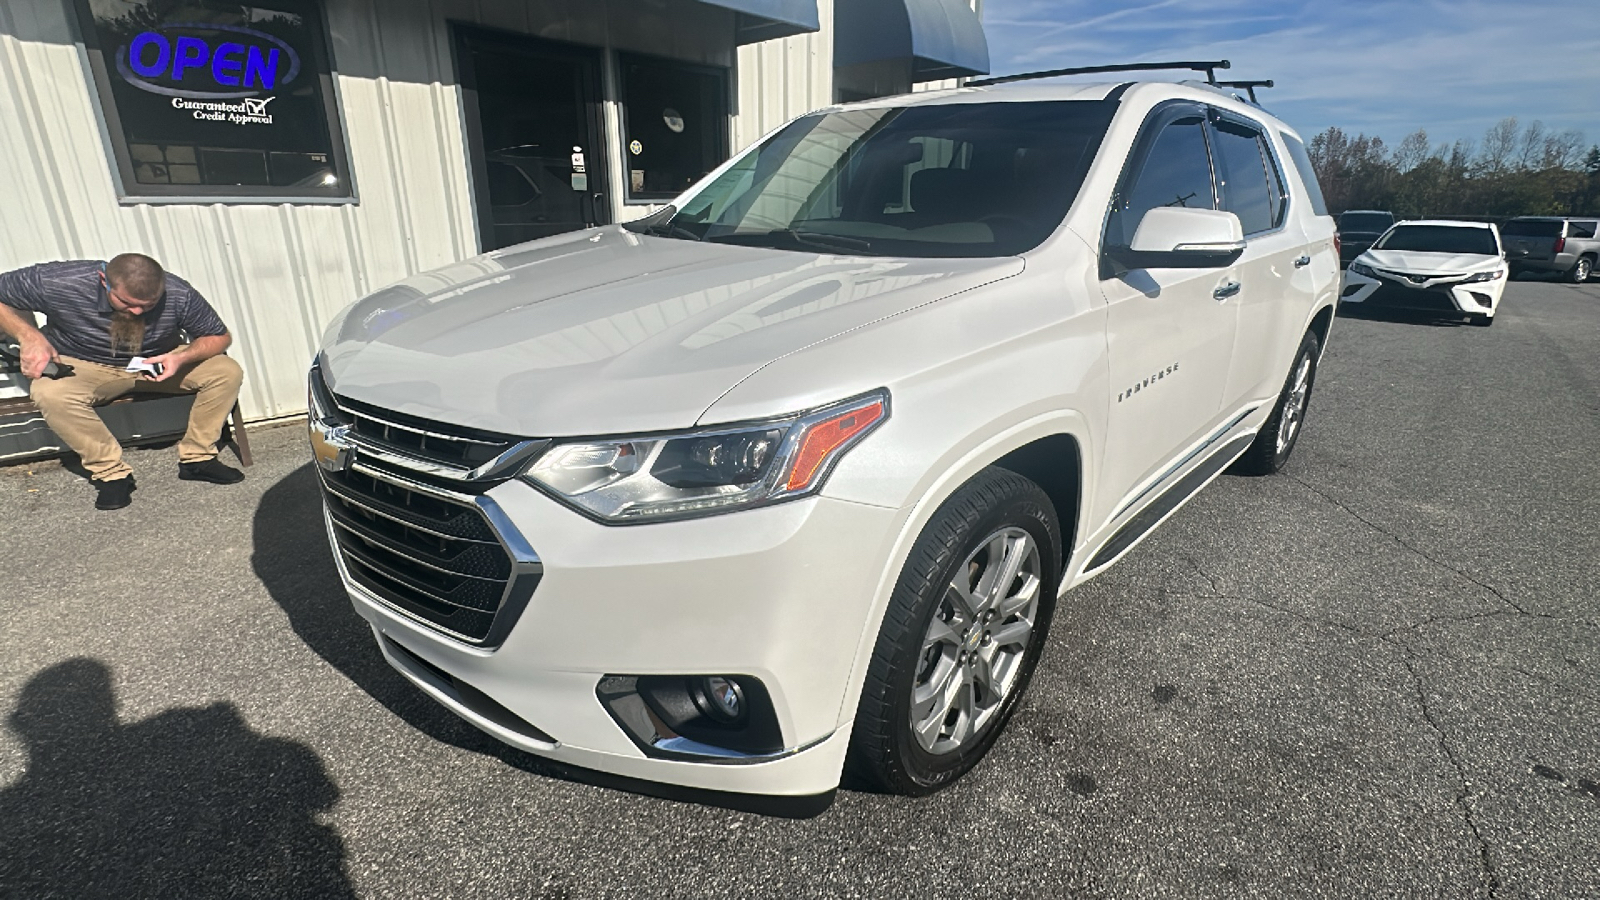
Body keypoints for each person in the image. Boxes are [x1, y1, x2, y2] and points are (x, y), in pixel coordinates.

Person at [0, 253, 245, 509]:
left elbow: (218, 336)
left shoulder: (177, 291)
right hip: (85, 365)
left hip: (157, 362)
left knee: (225, 371)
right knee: (50, 393)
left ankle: (198, 459)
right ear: (103, 279)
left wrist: (181, 358)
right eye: (127, 302)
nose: (137, 311)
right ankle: (111, 475)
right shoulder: (58, 281)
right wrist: (29, 336)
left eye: (149, 305)